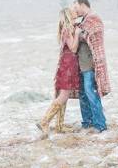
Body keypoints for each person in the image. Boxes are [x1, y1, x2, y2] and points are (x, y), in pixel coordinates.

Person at [36, 7, 82, 139]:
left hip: (69, 63)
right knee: (63, 95)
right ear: (69, 14)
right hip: (68, 64)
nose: (75, 11)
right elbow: (73, 48)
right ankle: (44, 121)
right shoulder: (67, 29)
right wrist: (78, 34)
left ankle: (59, 126)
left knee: (64, 96)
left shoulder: (70, 27)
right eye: (73, 10)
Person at [72, 0, 111, 133]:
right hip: (82, 64)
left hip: (90, 64)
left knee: (91, 93)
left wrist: (78, 33)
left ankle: (100, 124)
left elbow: (92, 36)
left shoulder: (93, 19)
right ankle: (87, 123)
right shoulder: (82, 21)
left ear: (83, 5)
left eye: (76, 7)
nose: (75, 10)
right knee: (83, 94)